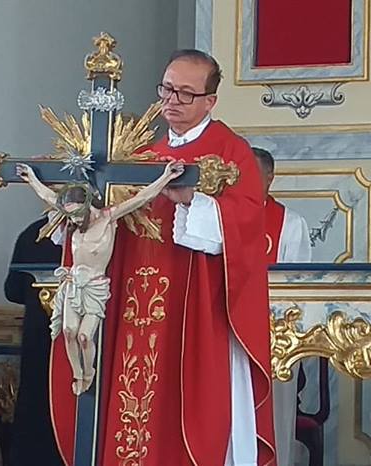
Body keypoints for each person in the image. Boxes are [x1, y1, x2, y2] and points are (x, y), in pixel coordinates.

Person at [84, 49, 274, 465]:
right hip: (136, 303)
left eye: (186, 93)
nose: (172, 100)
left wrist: (193, 201)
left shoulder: (231, 153)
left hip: (199, 310)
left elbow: (245, 226)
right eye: (167, 89)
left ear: (210, 101)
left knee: (190, 404)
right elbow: (115, 222)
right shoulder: (142, 157)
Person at [16, 160, 185, 395]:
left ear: (87, 206)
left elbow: (141, 198)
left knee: (84, 336)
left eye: (77, 215)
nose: (73, 221)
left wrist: (166, 177)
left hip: (95, 286)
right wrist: (31, 178)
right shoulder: (72, 215)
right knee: (68, 332)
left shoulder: (108, 218)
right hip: (73, 284)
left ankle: (89, 372)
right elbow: (48, 196)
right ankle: (78, 374)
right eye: (70, 216)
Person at [252, 146, 311, 465]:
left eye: (253, 174)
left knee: (273, 419)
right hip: (228, 336)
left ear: (270, 178)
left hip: (275, 339)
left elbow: (297, 288)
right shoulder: (219, 218)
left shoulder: (290, 223)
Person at [3, 215, 63, 466]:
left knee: (34, 402)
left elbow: (12, 290)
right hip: (77, 338)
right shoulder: (94, 231)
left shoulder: (32, 233)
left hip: (37, 333)